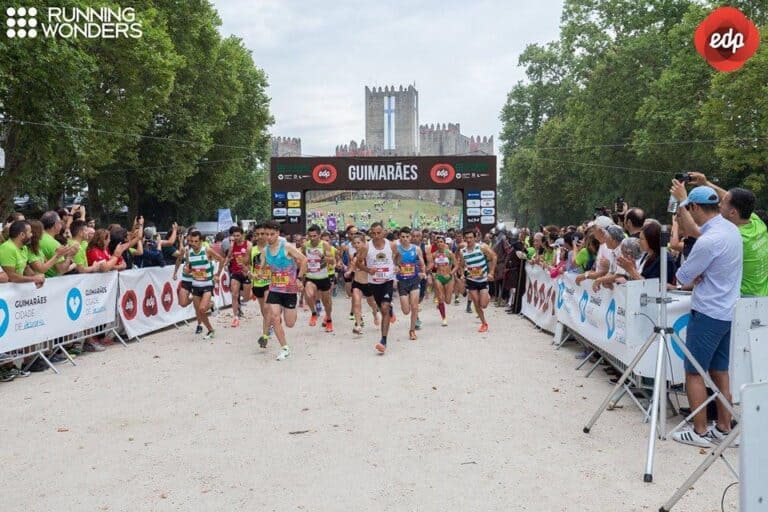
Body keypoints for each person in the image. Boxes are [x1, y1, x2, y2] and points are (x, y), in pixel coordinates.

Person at [667, 185, 743, 448]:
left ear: (696, 208)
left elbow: (682, 276)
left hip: (708, 311)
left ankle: (700, 431)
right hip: (727, 311)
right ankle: (724, 427)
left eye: (689, 210)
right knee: (720, 372)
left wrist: (695, 273)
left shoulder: (709, 241)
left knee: (694, 372)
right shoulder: (730, 230)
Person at [262, 221, 307, 361]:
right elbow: (264, 268)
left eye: (272, 234)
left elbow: (304, 260)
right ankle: (285, 348)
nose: (269, 237)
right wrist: (261, 273)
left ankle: (286, 315)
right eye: (266, 234)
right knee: (275, 317)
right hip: (274, 288)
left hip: (289, 290)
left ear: (277, 234)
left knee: (290, 323)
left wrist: (299, 279)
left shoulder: (286, 247)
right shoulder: (265, 251)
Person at [355, 222, 397, 354]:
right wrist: (368, 270)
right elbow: (358, 263)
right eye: (373, 233)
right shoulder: (366, 247)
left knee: (384, 308)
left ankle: (383, 341)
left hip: (388, 280)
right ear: (370, 233)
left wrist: (397, 265)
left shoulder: (391, 245)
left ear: (384, 232)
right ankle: (390, 308)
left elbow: (399, 256)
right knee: (382, 307)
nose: (376, 236)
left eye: (379, 233)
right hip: (374, 282)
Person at [183, 230, 226, 341]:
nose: (193, 243)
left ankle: (210, 305)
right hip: (196, 284)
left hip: (207, 284)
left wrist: (217, 274)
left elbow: (221, 259)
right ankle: (211, 330)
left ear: (201, 241)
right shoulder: (189, 252)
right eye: (191, 241)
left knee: (202, 308)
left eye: (196, 241)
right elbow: (189, 267)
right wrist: (187, 270)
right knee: (199, 311)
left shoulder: (207, 250)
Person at [456, 228, 497, 332]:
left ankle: (486, 295)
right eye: (466, 238)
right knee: (476, 303)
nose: (469, 240)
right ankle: (484, 323)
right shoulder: (463, 251)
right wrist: (462, 275)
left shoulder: (482, 247)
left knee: (483, 304)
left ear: (475, 238)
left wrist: (491, 272)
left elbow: (494, 257)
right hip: (471, 281)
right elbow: (461, 265)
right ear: (464, 239)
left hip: (483, 280)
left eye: (471, 237)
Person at [617, 220, 677, 285]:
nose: (638, 242)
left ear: (651, 240)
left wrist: (631, 270)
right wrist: (633, 268)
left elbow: (653, 286)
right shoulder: (647, 254)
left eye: (641, 239)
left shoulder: (664, 259)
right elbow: (642, 277)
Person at [394, 227, 427, 340]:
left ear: (410, 237)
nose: (405, 239)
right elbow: (393, 264)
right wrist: (395, 270)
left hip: (414, 280)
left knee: (414, 307)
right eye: (402, 237)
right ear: (400, 237)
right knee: (406, 311)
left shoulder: (416, 249)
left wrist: (423, 272)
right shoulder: (396, 249)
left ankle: (412, 331)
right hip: (402, 282)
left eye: (407, 237)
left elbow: (422, 263)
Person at [302, 225, 335, 332]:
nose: (312, 238)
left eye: (314, 236)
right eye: (310, 236)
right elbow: (301, 259)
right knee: (309, 294)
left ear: (319, 235)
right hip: (310, 276)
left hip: (323, 277)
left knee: (327, 303)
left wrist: (322, 257)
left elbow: (332, 261)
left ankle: (329, 319)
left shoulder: (324, 245)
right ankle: (314, 313)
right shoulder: (305, 246)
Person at [0, 220, 44, 287]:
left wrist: (36, 277)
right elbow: (12, 276)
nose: (32, 235)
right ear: (22, 235)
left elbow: (25, 267)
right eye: (30, 232)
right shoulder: (7, 248)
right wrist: (33, 279)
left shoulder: (24, 248)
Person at [249, 224, 273, 348]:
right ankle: (270, 325)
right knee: (264, 310)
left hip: (270, 283)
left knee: (266, 306)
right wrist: (251, 274)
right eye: (257, 234)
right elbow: (246, 266)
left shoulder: (272, 248)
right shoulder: (251, 249)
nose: (259, 236)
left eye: (262, 234)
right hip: (257, 284)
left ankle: (264, 336)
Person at [224, 226, 252, 328]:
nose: (235, 238)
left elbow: (249, 261)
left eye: (237, 235)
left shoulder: (248, 245)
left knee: (247, 297)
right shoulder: (232, 245)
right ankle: (235, 317)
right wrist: (226, 263)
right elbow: (228, 256)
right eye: (234, 236)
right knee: (234, 295)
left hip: (245, 273)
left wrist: (247, 268)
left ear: (242, 235)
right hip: (235, 272)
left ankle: (248, 295)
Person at [39, 211, 76, 277]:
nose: (61, 226)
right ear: (56, 224)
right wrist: (70, 256)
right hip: (52, 282)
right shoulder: (54, 243)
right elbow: (62, 269)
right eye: (60, 223)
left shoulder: (37, 239)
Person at [431, 235, 457, 326]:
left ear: (444, 243)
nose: (439, 243)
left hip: (448, 277)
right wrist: (432, 273)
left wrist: (450, 274)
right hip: (439, 277)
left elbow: (456, 265)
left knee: (448, 301)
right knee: (441, 298)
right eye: (437, 242)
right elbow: (431, 266)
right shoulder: (434, 255)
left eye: (441, 242)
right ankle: (444, 318)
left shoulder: (449, 253)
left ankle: (441, 304)